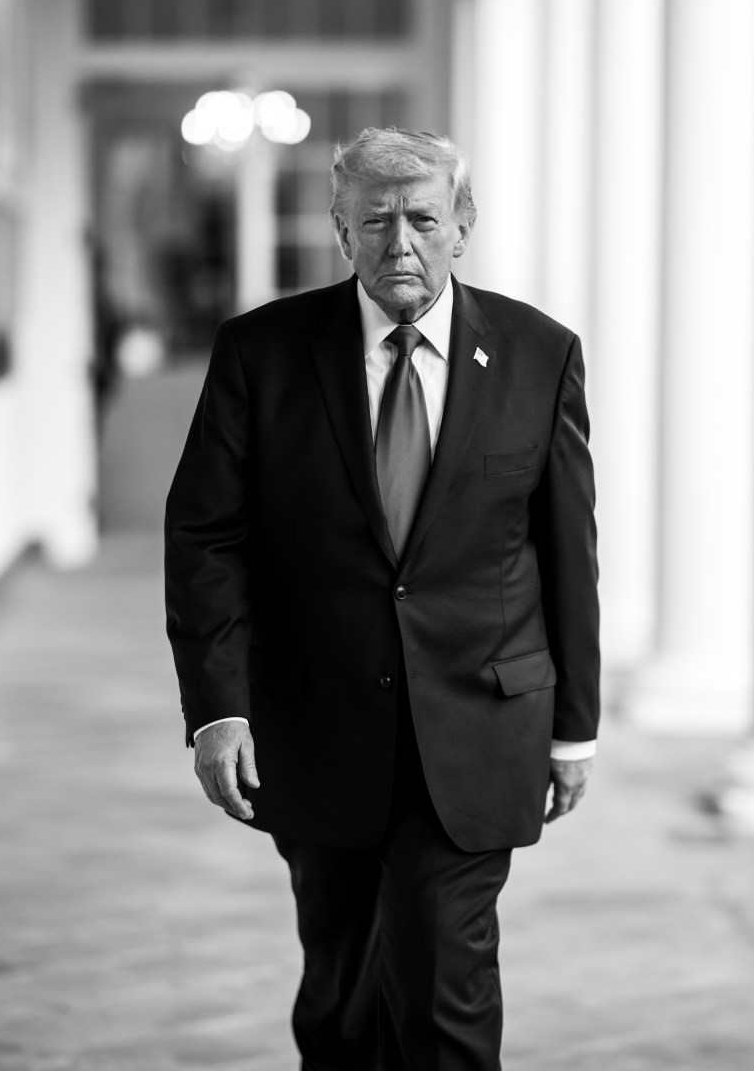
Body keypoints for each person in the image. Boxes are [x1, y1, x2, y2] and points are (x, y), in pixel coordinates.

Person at [165, 127, 600, 1071]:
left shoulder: (538, 353)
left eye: (422, 219)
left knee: (446, 982)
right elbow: (206, 538)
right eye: (374, 222)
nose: (399, 244)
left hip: (479, 725)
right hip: (316, 725)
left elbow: (568, 552)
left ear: (463, 225)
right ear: (339, 230)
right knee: (340, 996)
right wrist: (218, 708)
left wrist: (575, 727)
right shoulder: (262, 351)